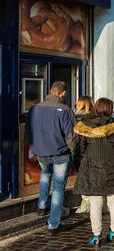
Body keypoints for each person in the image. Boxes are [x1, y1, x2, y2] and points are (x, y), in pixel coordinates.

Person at [25, 81, 76, 234]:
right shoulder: (65, 110)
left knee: (45, 175)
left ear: (50, 91)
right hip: (60, 154)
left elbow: (28, 132)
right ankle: (53, 224)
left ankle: (41, 206)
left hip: (41, 153)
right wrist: (73, 152)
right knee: (59, 188)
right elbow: (70, 136)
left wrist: (33, 147)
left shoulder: (34, 109)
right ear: (63, 93)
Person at [73, 98, 114, 245]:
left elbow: (82, 149)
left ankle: (96, 236)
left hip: (92, 169)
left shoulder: (86, 126)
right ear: (109, 109)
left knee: (95, 205)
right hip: (112, 168)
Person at [74, 95, 94, 214]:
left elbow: (79, 140)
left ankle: (86, 204)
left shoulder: (76, 118)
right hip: (92, 153)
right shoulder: (94, 118)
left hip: (80, 154)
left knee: (83, 179)